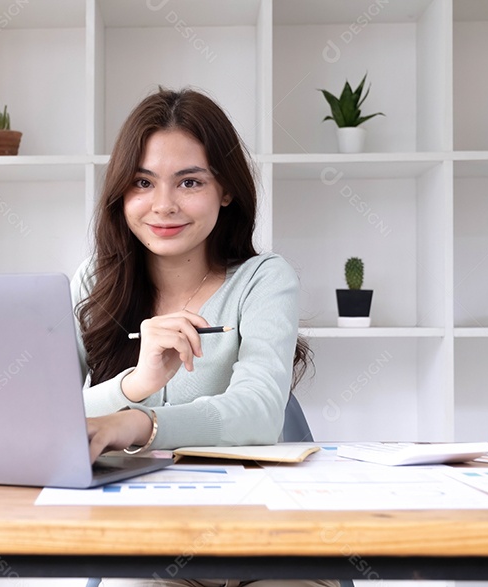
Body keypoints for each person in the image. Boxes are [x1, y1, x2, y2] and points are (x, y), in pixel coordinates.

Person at [71, 88, 335, 587]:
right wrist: (135, 383)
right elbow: (51, 420)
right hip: (144, 542)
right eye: (142, 182)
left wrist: (135, 423)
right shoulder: (93, 281)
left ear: (226, 190)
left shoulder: (263, 279)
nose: (163, 205)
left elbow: (258, 412)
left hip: (266, 540)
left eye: (189, 181)